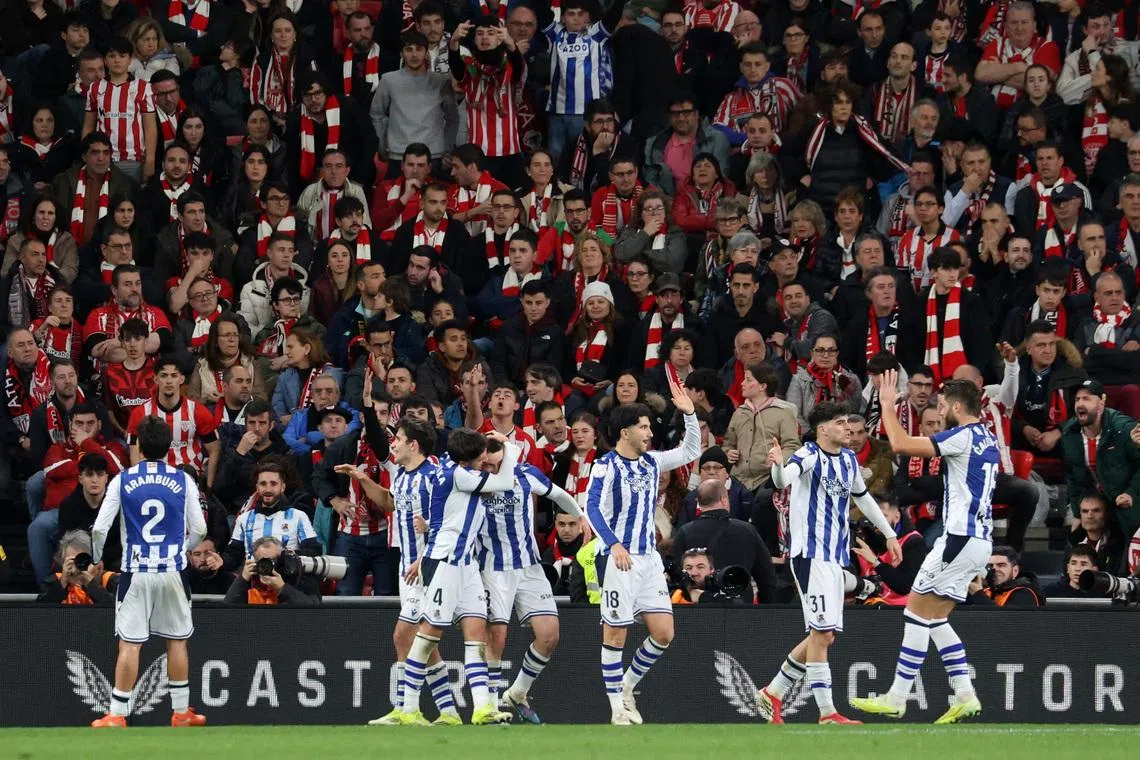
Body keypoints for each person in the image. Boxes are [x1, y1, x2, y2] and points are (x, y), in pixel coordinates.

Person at [851, 373, 998, 724]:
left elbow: (900, 444)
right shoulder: (987, 438)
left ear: (959, 407)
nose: (940, 411)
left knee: (915, 611)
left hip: (958, 538)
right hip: (979, 540)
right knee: (935, 618)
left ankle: (897, 698)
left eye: (944, 405)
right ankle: (965, 694)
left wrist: (886, 406)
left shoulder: (962, 435)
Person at [755, 402, 901, 725]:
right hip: (810, 555)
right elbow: (782, 481)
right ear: (823, 430)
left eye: (849, 422)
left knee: (825, 636)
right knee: (821, 634)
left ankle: (773, 692)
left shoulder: (848, 460)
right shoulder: (808, 456)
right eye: (840, 423)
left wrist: (889, 534)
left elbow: (863, 498)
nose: (847, 428)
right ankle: (827, 713)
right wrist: (778, 465)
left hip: (836, 557)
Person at [587, 372, 700, 725]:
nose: (650, 433)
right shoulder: (605, 467)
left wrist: (690, 414)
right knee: (616, 633)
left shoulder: (652, 462)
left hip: (648, 560)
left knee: (664, 633)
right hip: (618, 559)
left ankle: (626, 687)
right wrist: (614, 544)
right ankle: (615, 709)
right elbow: (592, 508)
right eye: (644, 427)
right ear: (625, 433)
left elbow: (691, 450)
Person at [393, 428, 520, 726]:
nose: (487, 457)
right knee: (428, 635)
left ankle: (482, 708)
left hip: (466, 565)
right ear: (472, 457)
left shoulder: (457, 473)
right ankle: (408, 708)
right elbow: (504, 482)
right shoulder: (457, 474)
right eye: (483, 454)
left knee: (476, 635)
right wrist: (508, 446)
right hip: (445, 562)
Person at [90, 416, 208, 727]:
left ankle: (117, 714)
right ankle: (182, 713)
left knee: (130, 643)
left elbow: (100, 528)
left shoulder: (123, 480)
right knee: (177, 640)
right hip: (172, 570)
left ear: (139, 445)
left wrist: (97, 556)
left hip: (136, 570)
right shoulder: (183, 480)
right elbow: (199, 527)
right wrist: (182, 549)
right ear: (169, 447)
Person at [474, 436, 582, 723]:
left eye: (496, 464)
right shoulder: (474, 481)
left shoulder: (525, 474)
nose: (490, 469)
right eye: (486, 463)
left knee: (549, 635)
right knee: (496, 635)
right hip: (493, 568)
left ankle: (518, 692)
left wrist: (581, 516)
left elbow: (558, 495)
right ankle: (492, 706)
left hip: (530, 566)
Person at [361, 418, 461, 726]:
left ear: (413, 445)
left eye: (399, 439)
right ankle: (448, 711)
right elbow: (390, 504)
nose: (394, 444)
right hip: (408, 565)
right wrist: (361, 478)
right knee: (423, 642)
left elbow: (452, 523)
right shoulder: (402, 476)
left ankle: (407, 709)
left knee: (404, 635)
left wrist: (426, 549)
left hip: (428, 567)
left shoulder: (434, 478)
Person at [672, 479, 777, 604]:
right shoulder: (748, 531)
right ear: (723, 499)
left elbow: (675, 576)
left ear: (698, 502)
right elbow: (767, 577)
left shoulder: (685, 532)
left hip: (698, 611)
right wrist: (766, 611)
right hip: (740, 608)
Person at [968, 545, 1043, 607]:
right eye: (990, 566)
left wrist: (978, 595)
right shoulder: (985, 591)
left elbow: (1005, 621)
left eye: (1001, 565)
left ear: (1015, 571)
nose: (994, 569)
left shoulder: (1025, 593)